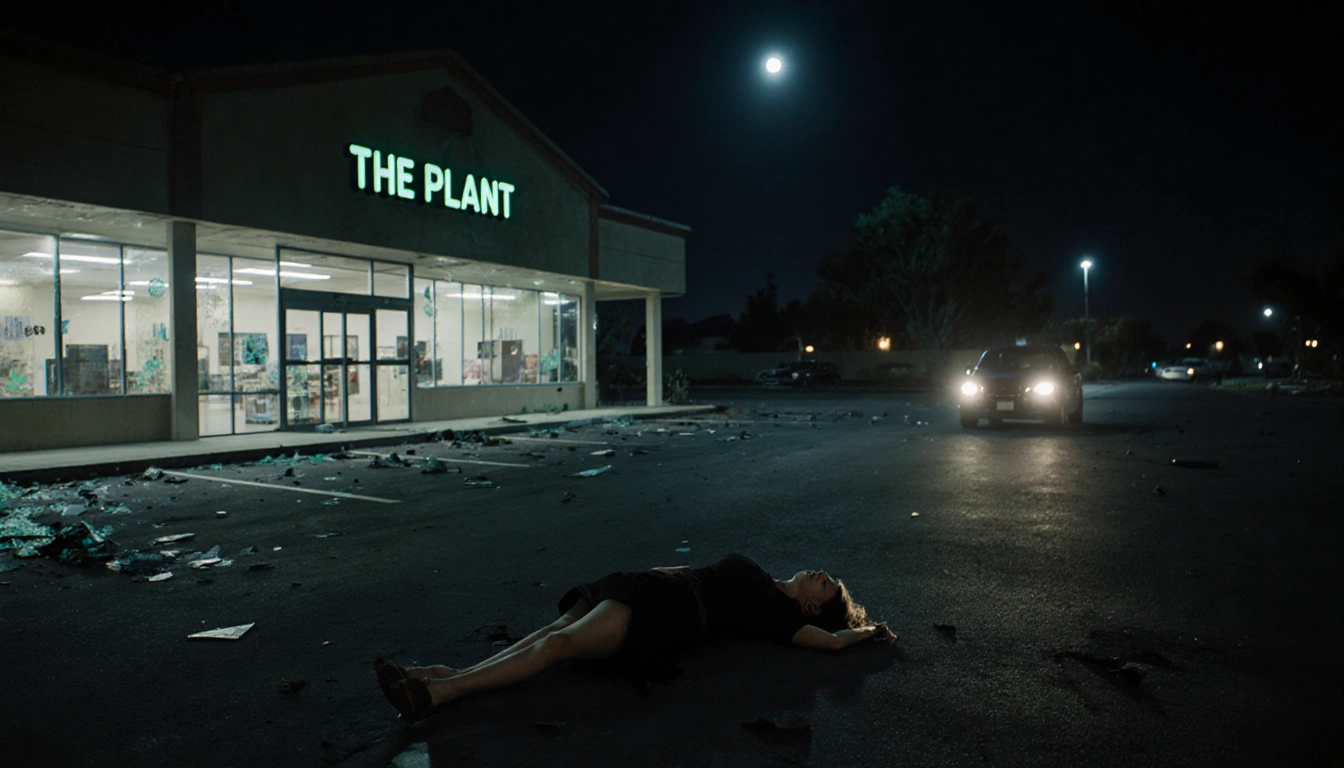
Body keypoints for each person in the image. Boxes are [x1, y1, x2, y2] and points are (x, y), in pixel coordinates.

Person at [375, 553, 896, 720]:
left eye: (824, 586)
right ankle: (445, 674)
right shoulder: (761, 574)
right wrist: (655, 569)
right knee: (549, 630)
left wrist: (867, 631)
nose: (818, 575)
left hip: (670, 614)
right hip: (656, 585)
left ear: (811, 605)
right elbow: (702, 567)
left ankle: (441, 692)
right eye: (823, 577)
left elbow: (830, 643)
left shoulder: (781, 616)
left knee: (557, 648)